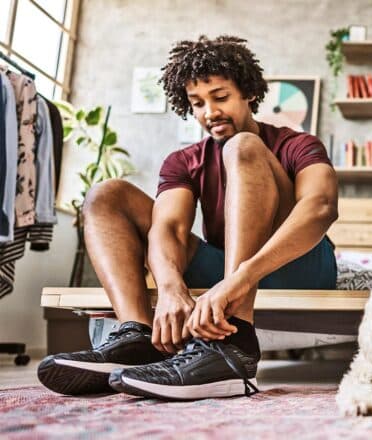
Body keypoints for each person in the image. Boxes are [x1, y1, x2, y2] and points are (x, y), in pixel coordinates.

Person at [37, 35, 339, 400]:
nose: (209, 112)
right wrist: (169, 286)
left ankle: (234, 348)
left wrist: (240, 279)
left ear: (249, 93)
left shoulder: (296, 144)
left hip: (300, 265)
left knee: (243, 146)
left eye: (220, 97)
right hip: (225, 271)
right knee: (106, 195)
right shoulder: (185, 161)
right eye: (198, 103)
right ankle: (138, 338)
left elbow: (320, 207)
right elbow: (168, 228)